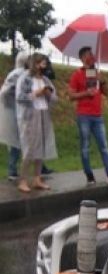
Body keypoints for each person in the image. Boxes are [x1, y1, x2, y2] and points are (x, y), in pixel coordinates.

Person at [68, 46, 108, 186]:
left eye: (93, 55)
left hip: (98, 116)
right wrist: (85, 93)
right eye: (90, 55)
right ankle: (89, 175)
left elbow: (107, 93)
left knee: (104, 146)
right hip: (83, 115)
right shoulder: (77, 74)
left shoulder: (96, 73)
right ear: (83, 57)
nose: (92, 57)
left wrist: (102, 81)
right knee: (85, 146)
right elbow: (71, 96)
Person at [14, 53, 57, 193]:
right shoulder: (25, 78)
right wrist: (36, 93)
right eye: (41, 63)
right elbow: (20, 97)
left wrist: (48, 94)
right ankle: (23, 180)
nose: (44, 66)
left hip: (43, 115)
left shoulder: (45, 79)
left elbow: (55, 98)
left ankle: (37, 179)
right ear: (35, 64)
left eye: (45, 63)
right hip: (29, 118)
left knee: (40, 150)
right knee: (29, 150)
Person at [0, 51, 30, 182]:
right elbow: (5, 92)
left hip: (17, 111)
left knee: (26, 141)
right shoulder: (19, 74)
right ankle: (12, 170)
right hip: (16, 112)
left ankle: (40, 168)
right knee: (17, 141)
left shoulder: (16, 73)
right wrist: (16, 102)